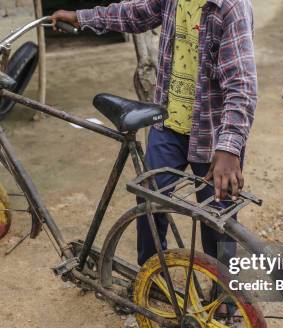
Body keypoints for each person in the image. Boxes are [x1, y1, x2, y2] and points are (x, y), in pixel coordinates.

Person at [51, 0, 256, 267]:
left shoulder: (230, 8)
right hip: (168, 125)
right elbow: (134, 13)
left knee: (216, 217)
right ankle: (152, 278)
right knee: (149, 199)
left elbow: (242, 86)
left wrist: (229, 148)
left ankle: (225, 300)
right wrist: (81, 17)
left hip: (213, 136)